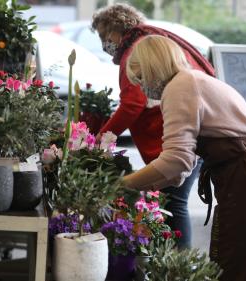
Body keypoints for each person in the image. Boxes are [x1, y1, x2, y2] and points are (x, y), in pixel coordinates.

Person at [123, 35, 246, 281]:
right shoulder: (192, 80)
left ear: (153, 66)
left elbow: (176, 161)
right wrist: (146, 188)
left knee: (237, 267)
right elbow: (179, 171)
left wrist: (124, 185)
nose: (141, 86)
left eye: (140, 77)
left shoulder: (180, 87)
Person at [91, 3, 215, 249]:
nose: (105, 45)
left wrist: (100, 141)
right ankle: (171, 264)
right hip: (189, 134)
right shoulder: (148, 39)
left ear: (116, 31)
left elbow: (132, 104)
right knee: (170, 203)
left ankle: (177, 266)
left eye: (104, 38)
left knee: (174, 204)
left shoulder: (136, 52)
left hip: (177, 139)